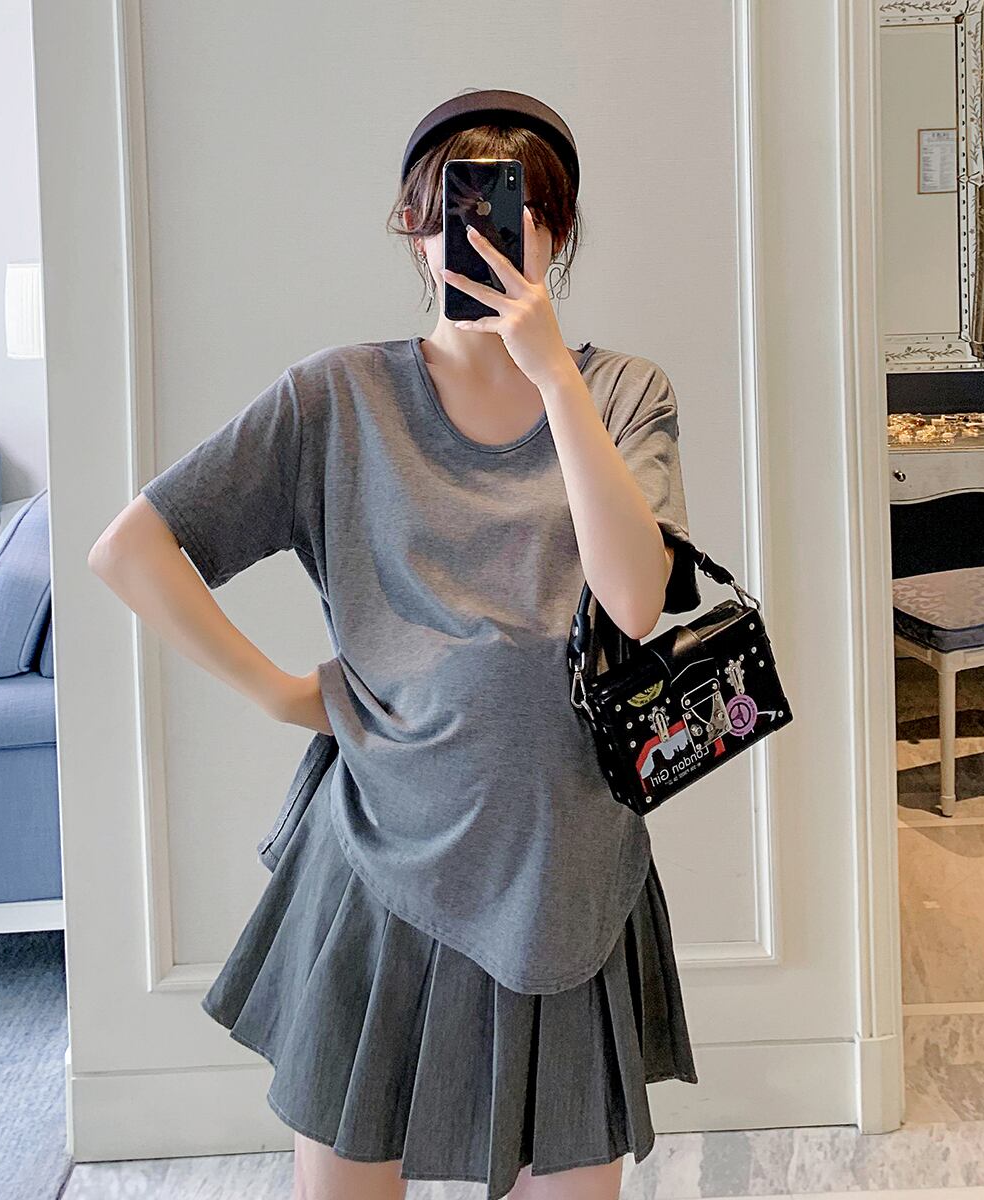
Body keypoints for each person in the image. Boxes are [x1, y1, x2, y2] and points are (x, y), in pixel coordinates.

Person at [89, 88, 700, 1200]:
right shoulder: (341, 395)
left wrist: (552, 373)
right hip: (382, 856)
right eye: (455, 210)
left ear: (558, 230)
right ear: (416, 230)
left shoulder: (620, 392)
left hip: (568, 868)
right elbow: (131, 548)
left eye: (516, 209)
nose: (484, 237)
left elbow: (634, 603)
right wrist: (281, 693)